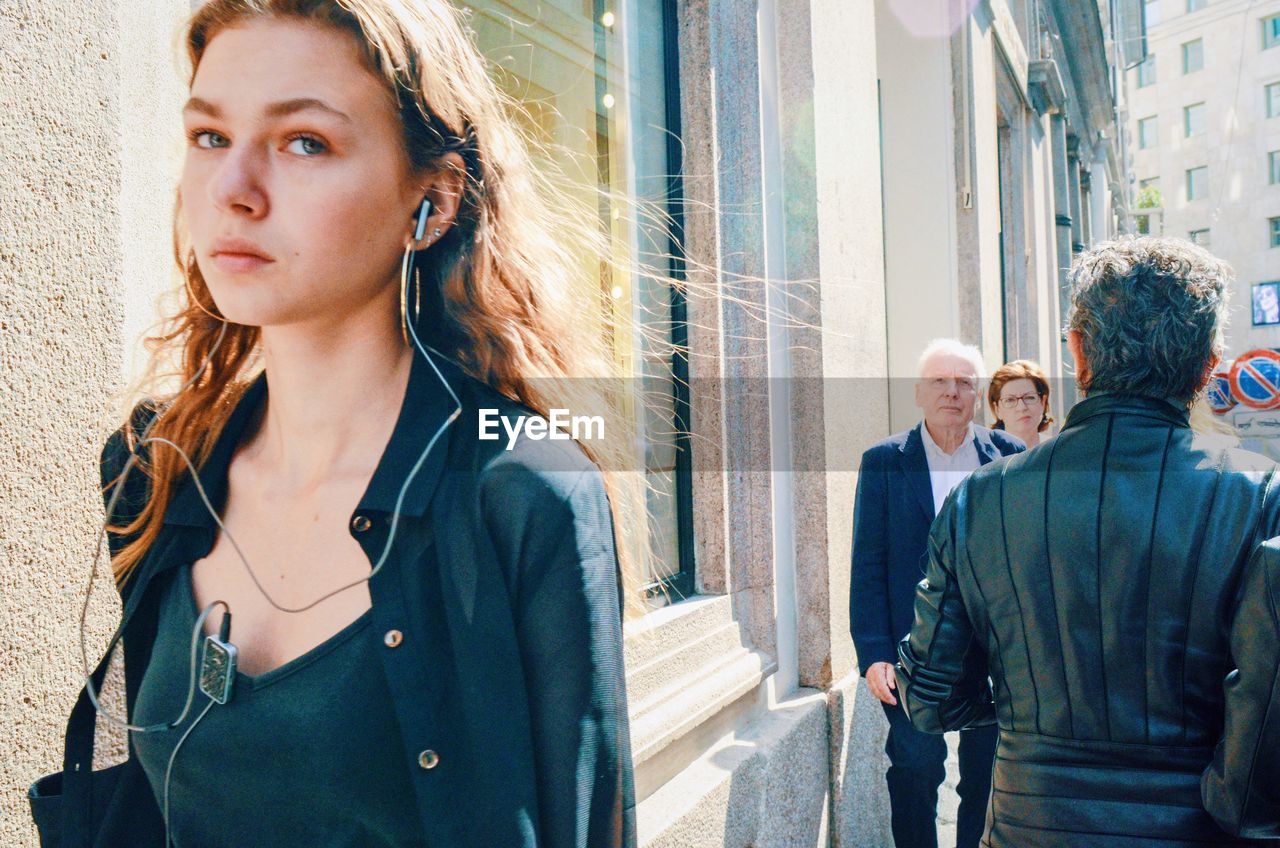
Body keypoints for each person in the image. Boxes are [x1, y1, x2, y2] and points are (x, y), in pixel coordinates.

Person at [28, 2, 637, 846]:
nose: (233, 191)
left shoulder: (523, 489)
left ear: (430, 203)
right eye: (210, 137)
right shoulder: (156, 466)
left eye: (303, 143)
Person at [897, 236, 1280, 847]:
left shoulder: (980, 499)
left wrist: (1030, 704)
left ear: (1078, 351)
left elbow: (930, 699)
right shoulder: (1259, 497)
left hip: (1032, 826)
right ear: (1211, 365)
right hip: (1196, 829)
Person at [850, 338, 1024, 848]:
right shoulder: (883, 460)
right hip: (913, 650)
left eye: (964, 382)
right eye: (940, 382)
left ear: (977, 395)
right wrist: (873, 653)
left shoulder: (1009, 457)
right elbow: (868, 563)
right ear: (919, 394)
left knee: (986, 776)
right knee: (915, 767)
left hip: (992, 651)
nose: (952, 392)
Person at [987, 360, 1054, 448]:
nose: (1021, 407)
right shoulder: (985, 456)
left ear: (1043, 402)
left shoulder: (1058, 451)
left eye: (1029, 397)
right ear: (997, 409)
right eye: (1010, 400)